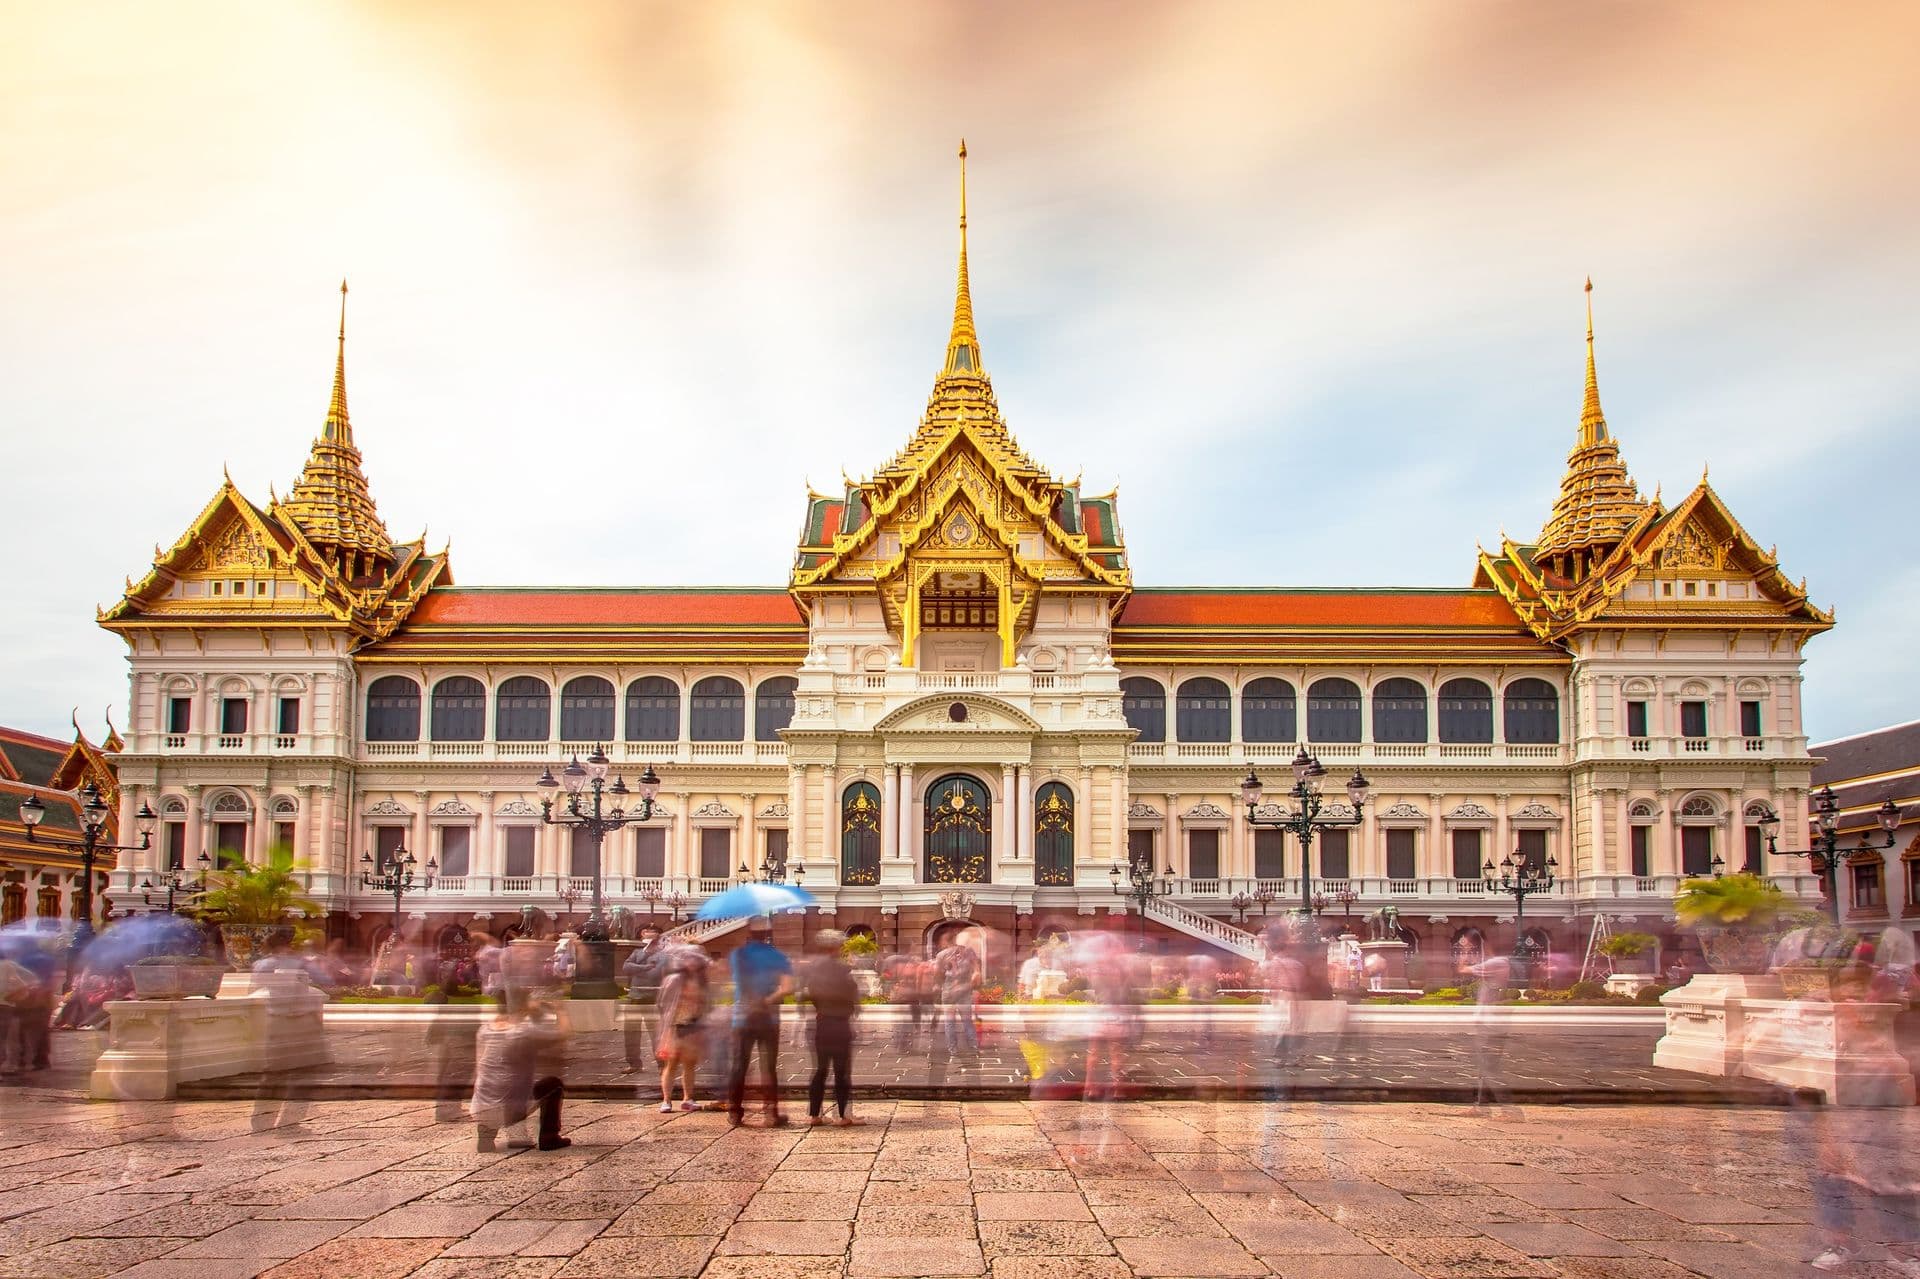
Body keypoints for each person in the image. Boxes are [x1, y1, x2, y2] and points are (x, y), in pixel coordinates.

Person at [470, 989, 570, 1152]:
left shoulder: (485, 1030)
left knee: (498, 1080)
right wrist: (560, 1009)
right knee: (553, 1084)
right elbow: (563, 1034)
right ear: (522, 1006)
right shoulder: (522, 1032)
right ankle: (549, 1137)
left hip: (481, 1108)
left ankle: (486, 1135)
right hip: (511, 1110)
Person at [727, 919, 793, 1127]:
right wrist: (767, 999)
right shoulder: (778, 956)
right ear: (768, 933)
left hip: (741, 1014)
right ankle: (771, 1113)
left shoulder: (737, 955)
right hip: (768, 1016)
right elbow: (787, 987)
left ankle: (735, 1112)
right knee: (769, 1066)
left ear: (749, 932)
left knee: (739, 1065)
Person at [799, 930, 863, 1126]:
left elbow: (806, 996)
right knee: (841, 1070)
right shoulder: (842, 970)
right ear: (837, 947)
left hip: (822, 1022)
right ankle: (843, 1115)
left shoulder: (813, 969)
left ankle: (814, 1114)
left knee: (820, 1069)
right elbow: (853, 999)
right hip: (840, 1024)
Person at [654, 947, 709, 1112]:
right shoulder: (674, 979)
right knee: (671, 1064)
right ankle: (666, 1100)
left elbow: (705, 1003)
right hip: (675, 1025)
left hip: (693, 1025)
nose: (692, 962)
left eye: (695, 959)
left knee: (689, 1065)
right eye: (689, 959)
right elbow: (662, 1003)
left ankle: (688, 1098)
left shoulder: (700, 980)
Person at [622, 928, 667, 1075]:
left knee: (655, 1034)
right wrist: (645, 966)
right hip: (634, 998)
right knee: (631, 1032)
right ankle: (633, 1063)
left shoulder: (662, 956)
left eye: (651, 941)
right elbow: (626, 967)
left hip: (652, 998)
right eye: (646, 940)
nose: (648, 943)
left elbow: (654, 973)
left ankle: (661, 1063)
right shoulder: (637, 953)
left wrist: (638, 969)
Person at [935, 935, 981, 1057]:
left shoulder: (941, 955)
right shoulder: (969, 952)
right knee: (967, 1020)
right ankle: (973, 1047)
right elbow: (977, 970)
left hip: (950, 991)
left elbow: (937, 975)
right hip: (963, 990)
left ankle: (953, 1049)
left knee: (950, 1022)